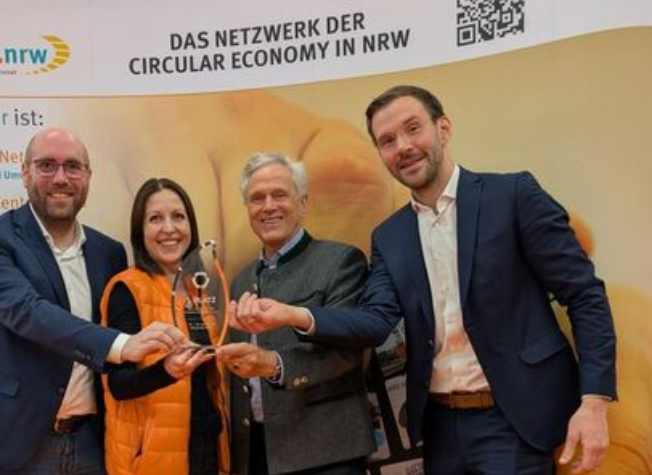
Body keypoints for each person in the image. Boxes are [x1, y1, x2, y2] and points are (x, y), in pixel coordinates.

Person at [229, 86, 617, 475]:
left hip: (515, 420)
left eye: (413, 129)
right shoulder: (389, 236)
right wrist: (292, 314)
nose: (403, 147)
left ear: (443, 129)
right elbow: (375, 321)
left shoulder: (513, 195)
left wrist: (594, 400)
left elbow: (584, 295)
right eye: (387, 141)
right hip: (441, 428)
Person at [0, 127, 186, 475]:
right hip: (17, 443)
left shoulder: (109, 252)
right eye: (47, 165)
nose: (61, 178)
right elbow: (27, 312)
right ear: (25, 172)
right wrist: (121, 344)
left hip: (92, 442)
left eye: (73, 166)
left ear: (88, 176)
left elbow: (116, 368)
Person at [216, 153, 375, 475]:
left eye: (280, 194)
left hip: (328, 454)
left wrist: (273, 365)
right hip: (257, 454)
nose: (268, 206)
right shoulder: (240, 281)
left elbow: (347, 352)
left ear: (302, 203)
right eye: (257, 198)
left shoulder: (340, 262)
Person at [99, 178, 229, 475]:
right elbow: (118, 385)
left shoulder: (198, 290)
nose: (169, 228)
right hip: (152, 459)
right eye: (155, 218)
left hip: (206, 447)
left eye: (178, 216)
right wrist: (166, 371)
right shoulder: (127, 289)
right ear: (140, 230)